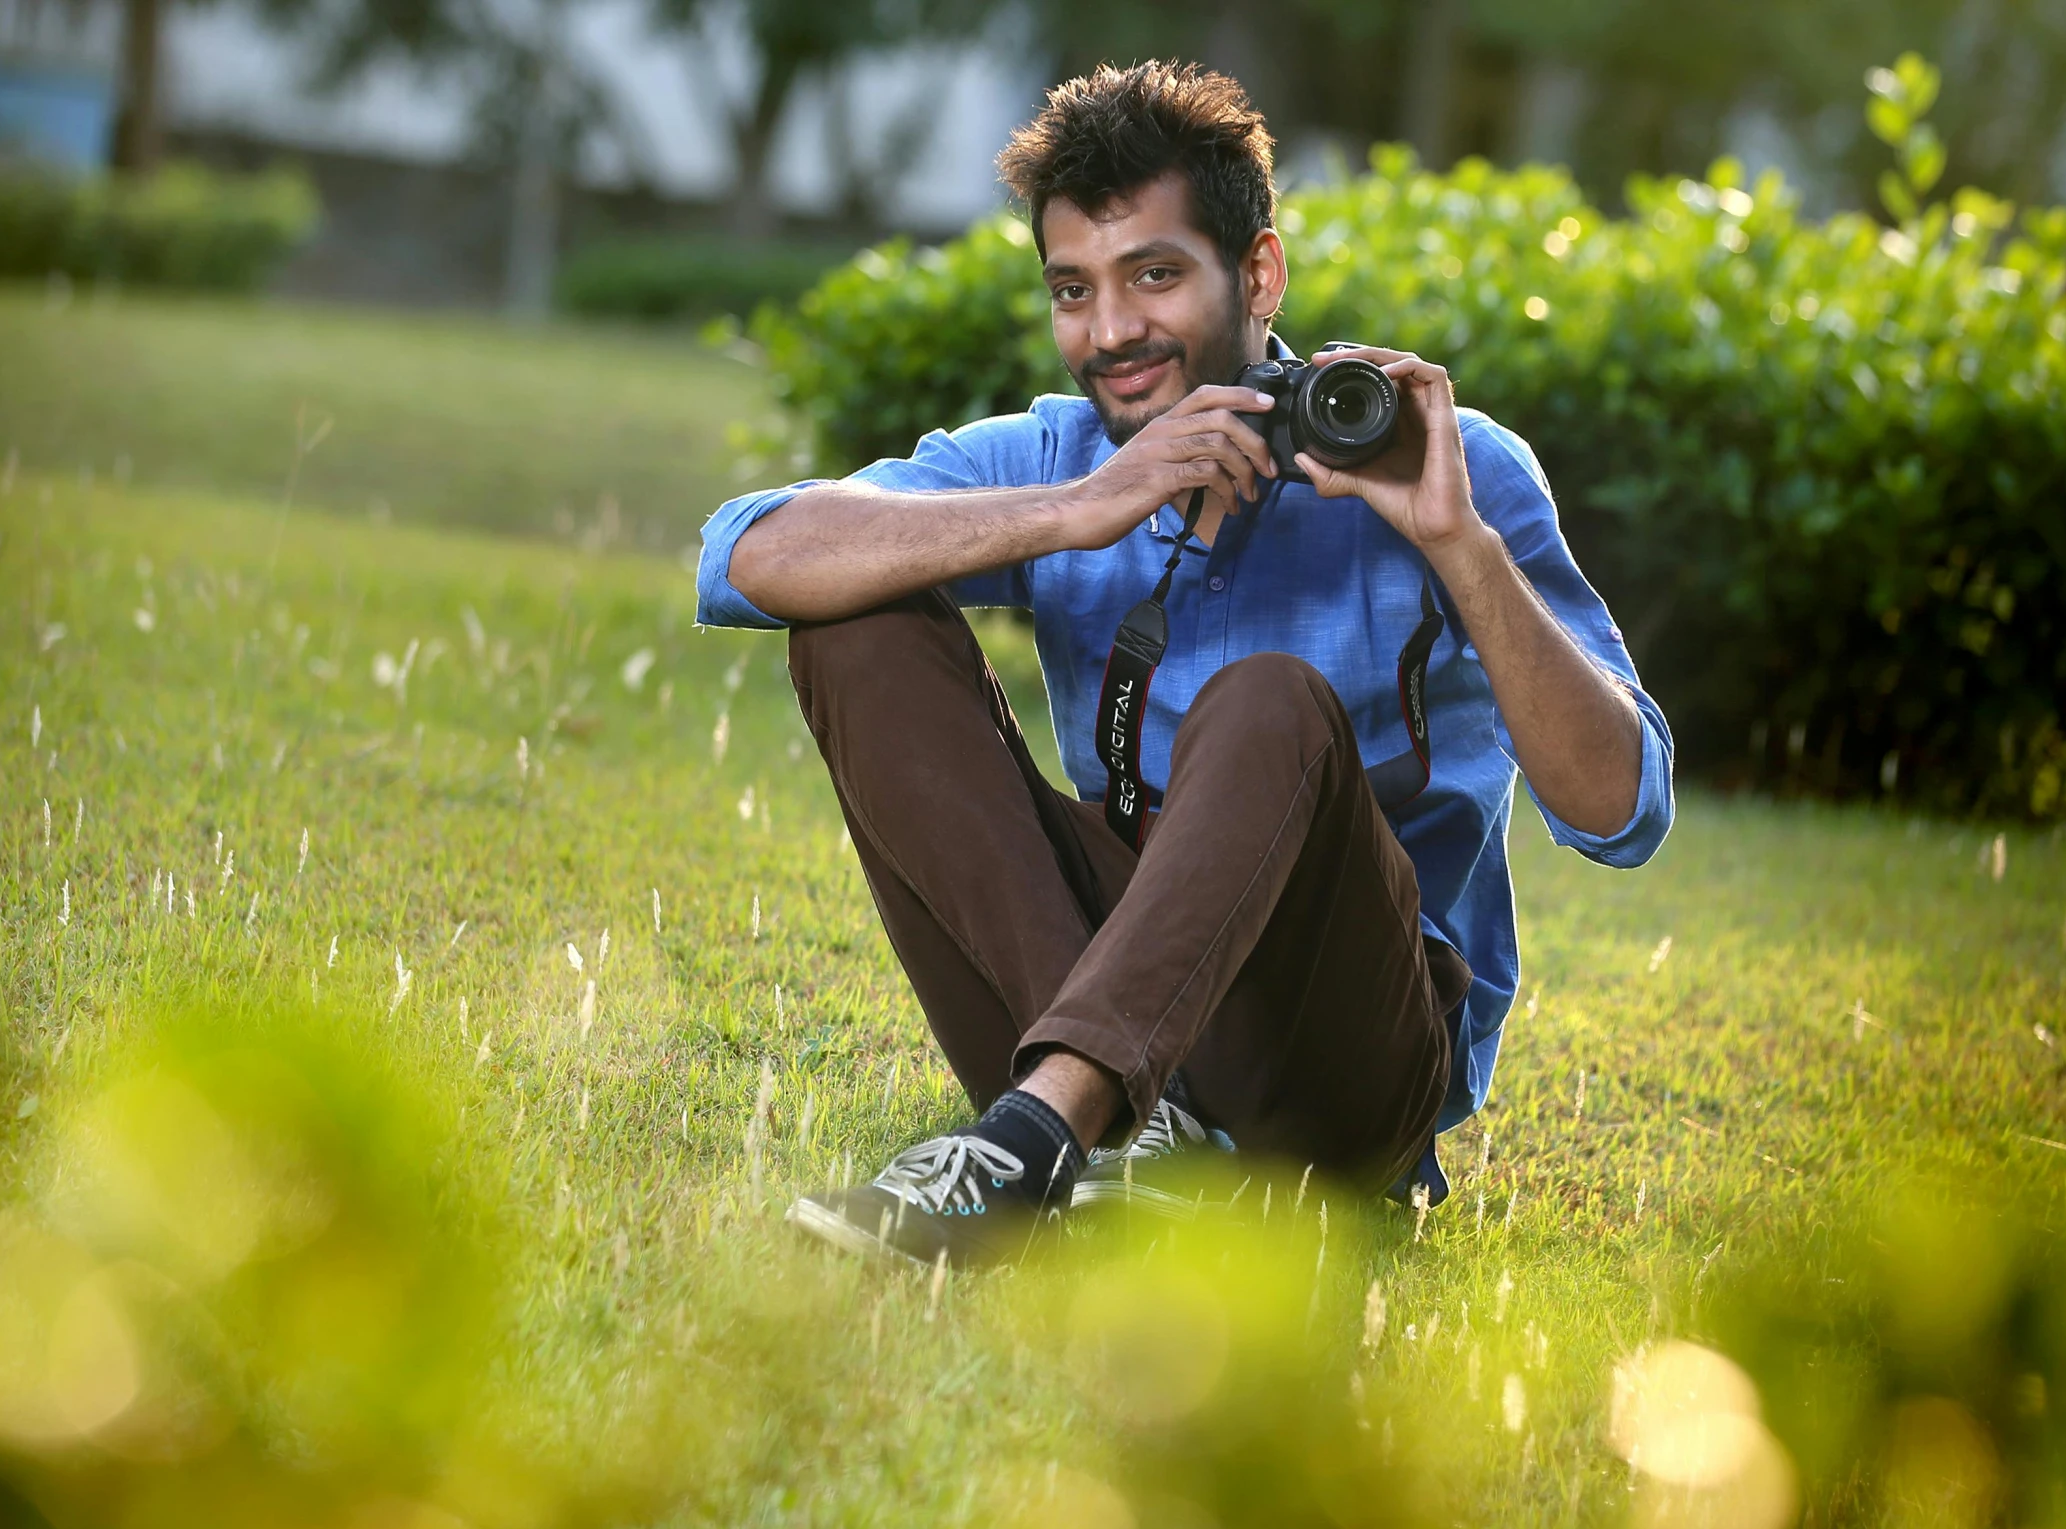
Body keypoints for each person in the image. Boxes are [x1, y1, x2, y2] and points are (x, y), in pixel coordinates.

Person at [692, 61, 1674, 1267]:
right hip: (1090, 990)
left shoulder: (1445, 467)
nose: (1108, 333)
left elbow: (1620, 810)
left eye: (1153, 275)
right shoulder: (1060, 458)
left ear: (1256, 273)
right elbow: (747, 554)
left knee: (1266, 702)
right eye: (1072, 290)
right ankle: (1100, 1134)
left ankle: (1042, 1137)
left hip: (1340, 1064)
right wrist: (1076, 511)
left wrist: (1458, 549)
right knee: (856, 624)